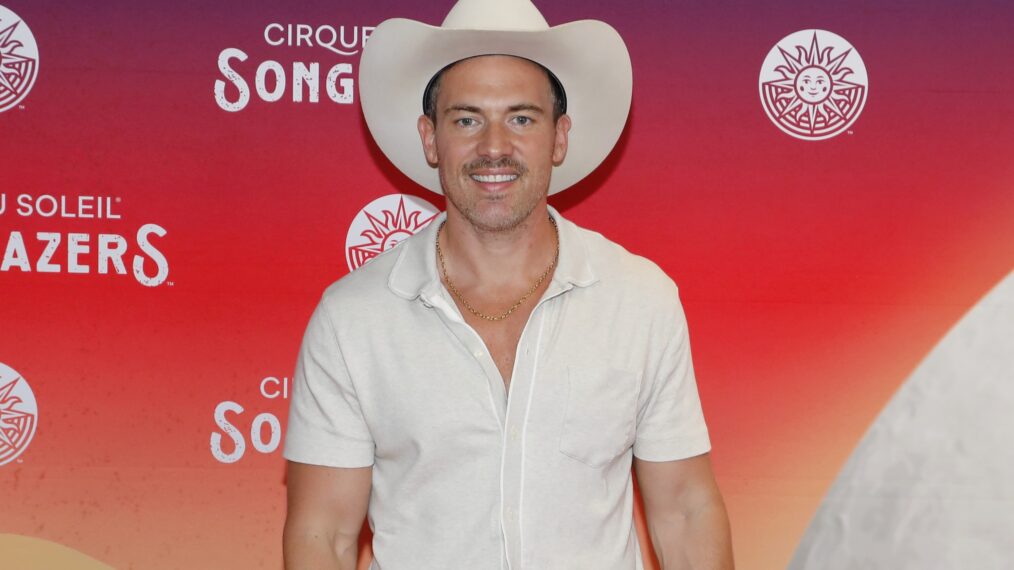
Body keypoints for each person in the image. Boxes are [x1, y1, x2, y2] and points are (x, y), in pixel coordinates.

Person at [282, 0, 733, 568]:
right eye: (467, 119)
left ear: (559, 137)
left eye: (521, 118)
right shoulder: (353, 318)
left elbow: (686, 511)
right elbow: (323, 534)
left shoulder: (641, 299)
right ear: (430, 139)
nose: (494, 147)